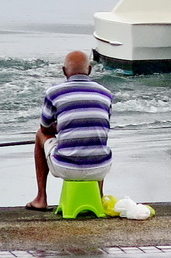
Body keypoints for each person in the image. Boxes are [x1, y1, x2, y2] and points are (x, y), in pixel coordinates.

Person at [27, 51, 113, 211]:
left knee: (40, 136)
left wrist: (61, 126)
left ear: (64, 71)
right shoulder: (105, 94)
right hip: (100, 168)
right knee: (95, 136)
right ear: (89, 70)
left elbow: (44, 128)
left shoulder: (54, 93)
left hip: (66, 167)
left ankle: (41, 198)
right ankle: (99, 196)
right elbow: (103, 124)